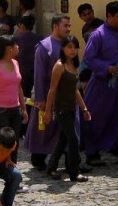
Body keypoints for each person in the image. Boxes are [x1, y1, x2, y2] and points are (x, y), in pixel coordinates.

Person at [82, 1, 118, 165]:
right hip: (102, 85)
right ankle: (92, 154)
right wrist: (106, 68)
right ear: (108, 16)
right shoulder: (97, 35)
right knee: (96, 119)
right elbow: (89, 58)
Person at [26, 14, 71, 169]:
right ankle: (38, 158)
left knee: (66, 128)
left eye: (69, 25)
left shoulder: (68, 46)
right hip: (46, 94)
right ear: (55, 26)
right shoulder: (44, 47)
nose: (68, 28)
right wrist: (40, 99)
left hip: (65, 96)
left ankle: (69, 159)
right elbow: (38, 74)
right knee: (44, 128)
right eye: (65, 25)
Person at [44, 35, 90, 182]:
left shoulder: (73, 65)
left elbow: (75, 90)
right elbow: (52, 90)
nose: (72, 50)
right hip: (62, 108)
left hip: (72, 107)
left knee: (63, 140)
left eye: (75, 47)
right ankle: (74, 172)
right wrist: (48, 111)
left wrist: (84, 109)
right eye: (69, 47)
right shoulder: (59, 66)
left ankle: (51, 167)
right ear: (63, 48)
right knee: (73, 139)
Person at [0, 36, 28, 161]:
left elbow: (18, 88)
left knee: (15, 142)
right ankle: (2, 166)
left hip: (15, 108)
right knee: (3, 142)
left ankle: (12, 167)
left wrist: (24, 109)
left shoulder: (16, 63)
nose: (18, 48)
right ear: (10, 48)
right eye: (16, 45)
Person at [13, 14, 40, 97]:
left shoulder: (17, 39)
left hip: (22, 70)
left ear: (22, 26)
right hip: (36, 70)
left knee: (23, 94)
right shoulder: (39, 38)